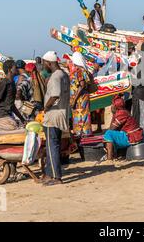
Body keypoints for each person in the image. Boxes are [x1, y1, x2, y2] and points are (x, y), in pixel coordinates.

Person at [40, 51, 71, 186]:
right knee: (53, 145)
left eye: (44, 63)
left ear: (49, 63)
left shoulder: (55, 77)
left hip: (53, 115)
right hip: (62, 113)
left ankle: (56, 177)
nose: (43, 66)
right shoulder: (64, 75)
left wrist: (46, 107)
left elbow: (54, 95)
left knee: (52, 145)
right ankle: (49, 173)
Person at [103, 95, 144, 160]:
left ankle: (109, 158)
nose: (111, 106)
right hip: (134, 136)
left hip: (132, 137)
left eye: (112, 104)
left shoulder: (121, 113)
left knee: (108, 134)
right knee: (112, 134)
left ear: (116, 105)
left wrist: (113, 114)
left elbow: (111, 128)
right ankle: (116, 155)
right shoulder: (124, 111)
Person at [69, 52, 93, 137]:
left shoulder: (80, 71)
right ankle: (82, 133)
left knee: (81, 115)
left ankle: (82, 133)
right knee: (82, 115)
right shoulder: (82, 70)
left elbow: (82, 85)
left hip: (80, 99)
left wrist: (74, 99)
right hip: (81, 97)